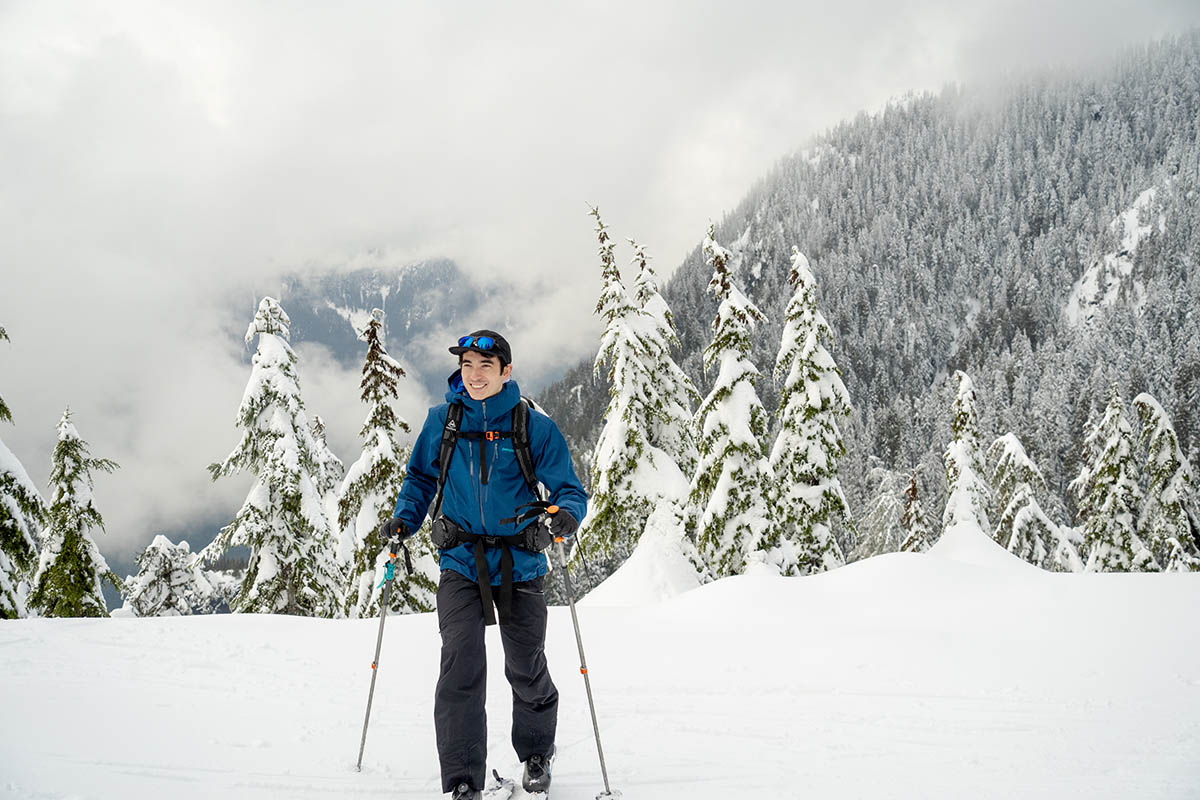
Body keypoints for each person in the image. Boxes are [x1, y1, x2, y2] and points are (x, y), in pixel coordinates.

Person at [381, 329, 587, 800]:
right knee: (461, 665)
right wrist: (404, 519)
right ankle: (462, 780)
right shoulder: (443, 422)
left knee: (526, 666)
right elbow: (420, 479)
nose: (474, 375)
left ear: (506, 371)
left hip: (520, 561)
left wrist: (563, 519)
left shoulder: (533, 426)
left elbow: (568, 490)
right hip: (460, 560)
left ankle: (536, 753)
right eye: (467, 365)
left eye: (485, 366)